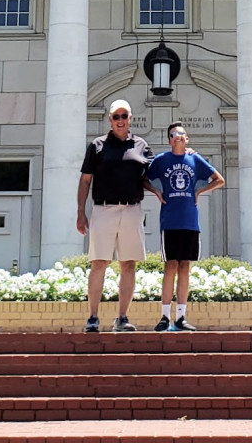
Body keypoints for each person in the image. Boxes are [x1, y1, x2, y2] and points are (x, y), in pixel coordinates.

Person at [77, 99, 154, 333]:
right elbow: (85, 180)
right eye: (116, 117)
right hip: (103, 209)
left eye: (124, 116)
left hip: (132, 209)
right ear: (109, 120)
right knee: (99, 262)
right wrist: (81, 212)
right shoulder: (97, 146)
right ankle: (92, 317)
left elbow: (151, 176)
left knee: (128, 264)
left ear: (131, 118)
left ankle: (122, 317)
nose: (120, 120)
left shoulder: (141, 146)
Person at [146, 121, 224, 331]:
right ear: (169, 139)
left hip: (190, 221)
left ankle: (181, 316)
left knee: (185, 267)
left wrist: (199, 192)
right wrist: (156, 191)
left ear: (187, 138)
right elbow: (144, 179)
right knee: (170, 266)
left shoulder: (194, 159)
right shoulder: (162, 160)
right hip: (170, 221)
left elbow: (219, 180)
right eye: (173, 134)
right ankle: (164, 316)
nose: (177, 136)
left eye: (181, 133)